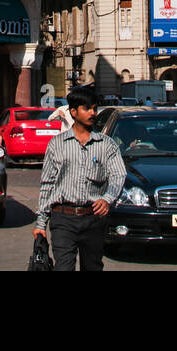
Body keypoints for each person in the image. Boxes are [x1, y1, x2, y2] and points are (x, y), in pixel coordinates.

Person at [34, 88, 126, 270]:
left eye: (94, 108)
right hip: (63, 218)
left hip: (93, 218)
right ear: (73, 112)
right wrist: (41, 223)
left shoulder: (106, 145)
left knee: (92, 267)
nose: (92, 113)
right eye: (87, 109)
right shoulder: (57, 144)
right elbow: (47, 183)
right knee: (64, 267)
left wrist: (107, 199)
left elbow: (118, 174)